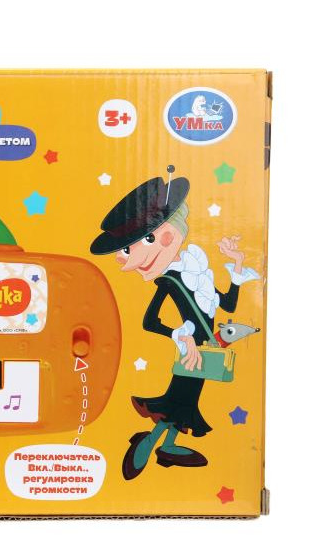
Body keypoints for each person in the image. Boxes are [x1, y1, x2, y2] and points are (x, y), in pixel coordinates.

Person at [90, 169, 259, 479]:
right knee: (175, 402)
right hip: (191, 353)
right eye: (127, 249)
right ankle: (149, 442)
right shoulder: (169, 280)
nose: (127, 259)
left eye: (146, 239)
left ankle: (167, 446)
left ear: (170, 234)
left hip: (203, 356)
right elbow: (149, 322)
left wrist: (236, 264)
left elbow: (228, 305)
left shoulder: (198, 272)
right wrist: (181, 336)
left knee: (186, 402)